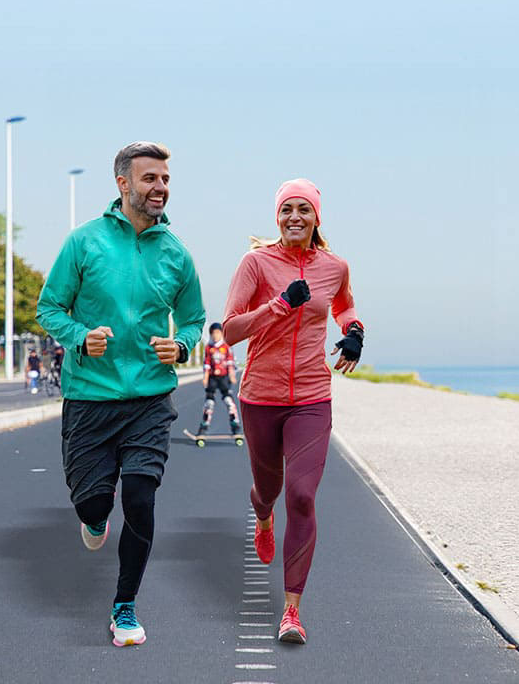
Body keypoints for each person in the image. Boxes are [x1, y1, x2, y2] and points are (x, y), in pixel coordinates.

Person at [36, 141, 205, 647]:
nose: (160, 188)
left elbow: (195, 318)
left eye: (165, 179)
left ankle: (124, 607)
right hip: (89, 397)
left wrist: (181, 344)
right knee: (92, 505)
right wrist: (77, 339)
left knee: (140, 497)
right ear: (123, 184)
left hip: (149, 399)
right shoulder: (83, 242)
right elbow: (49, 309)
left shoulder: (176, 252)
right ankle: (93, 518)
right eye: (150, 178)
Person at [223, 178, 363, 644]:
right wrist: (279, 305)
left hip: (311, 396)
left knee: (302, 495)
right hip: (260, 396)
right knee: (269, 490)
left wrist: (355, 331)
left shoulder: (334, 266)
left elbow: (343, 307)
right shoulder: (256, 263)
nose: (295, 217)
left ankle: (291, 611)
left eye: (304, 209)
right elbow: (230, 330)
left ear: (317, 217)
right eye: (287, 210)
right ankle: (262, 513)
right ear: (277, 217)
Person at [196, 322, 240, 438]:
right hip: (212, 378)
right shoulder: (208, 347)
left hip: (224, 378)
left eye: (217, 333)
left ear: (221, 333)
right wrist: (205, 377)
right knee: (209, 403)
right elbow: (206, 364)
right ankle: (203, 427)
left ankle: (235, 426)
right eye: (213, 333)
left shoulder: (226, 347)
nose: (215, 335)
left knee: (229, 402)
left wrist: (232, 375)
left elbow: (230, 362)